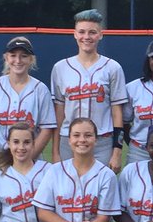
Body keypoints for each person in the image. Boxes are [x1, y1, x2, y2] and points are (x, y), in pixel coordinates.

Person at [50, 9, 127, 173]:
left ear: (100, 34)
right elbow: (59, 112)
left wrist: (117, 151)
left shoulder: (113, 67)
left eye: (92, 32)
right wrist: (55, 151)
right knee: (68, 190)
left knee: (99, 191)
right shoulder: (60, 68)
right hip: (68, 140)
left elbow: (117, 113)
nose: (87, 37)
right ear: (75, 34)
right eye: (82, 32)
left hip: (102, 140)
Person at [0, 36, 56, 161]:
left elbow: (46, 129)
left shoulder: (40, 89)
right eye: (13, 55)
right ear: (6, 57)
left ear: (31, 59)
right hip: (0, 157)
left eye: (24, 56)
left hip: (32, 159)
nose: (18, 60)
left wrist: (28, 159)